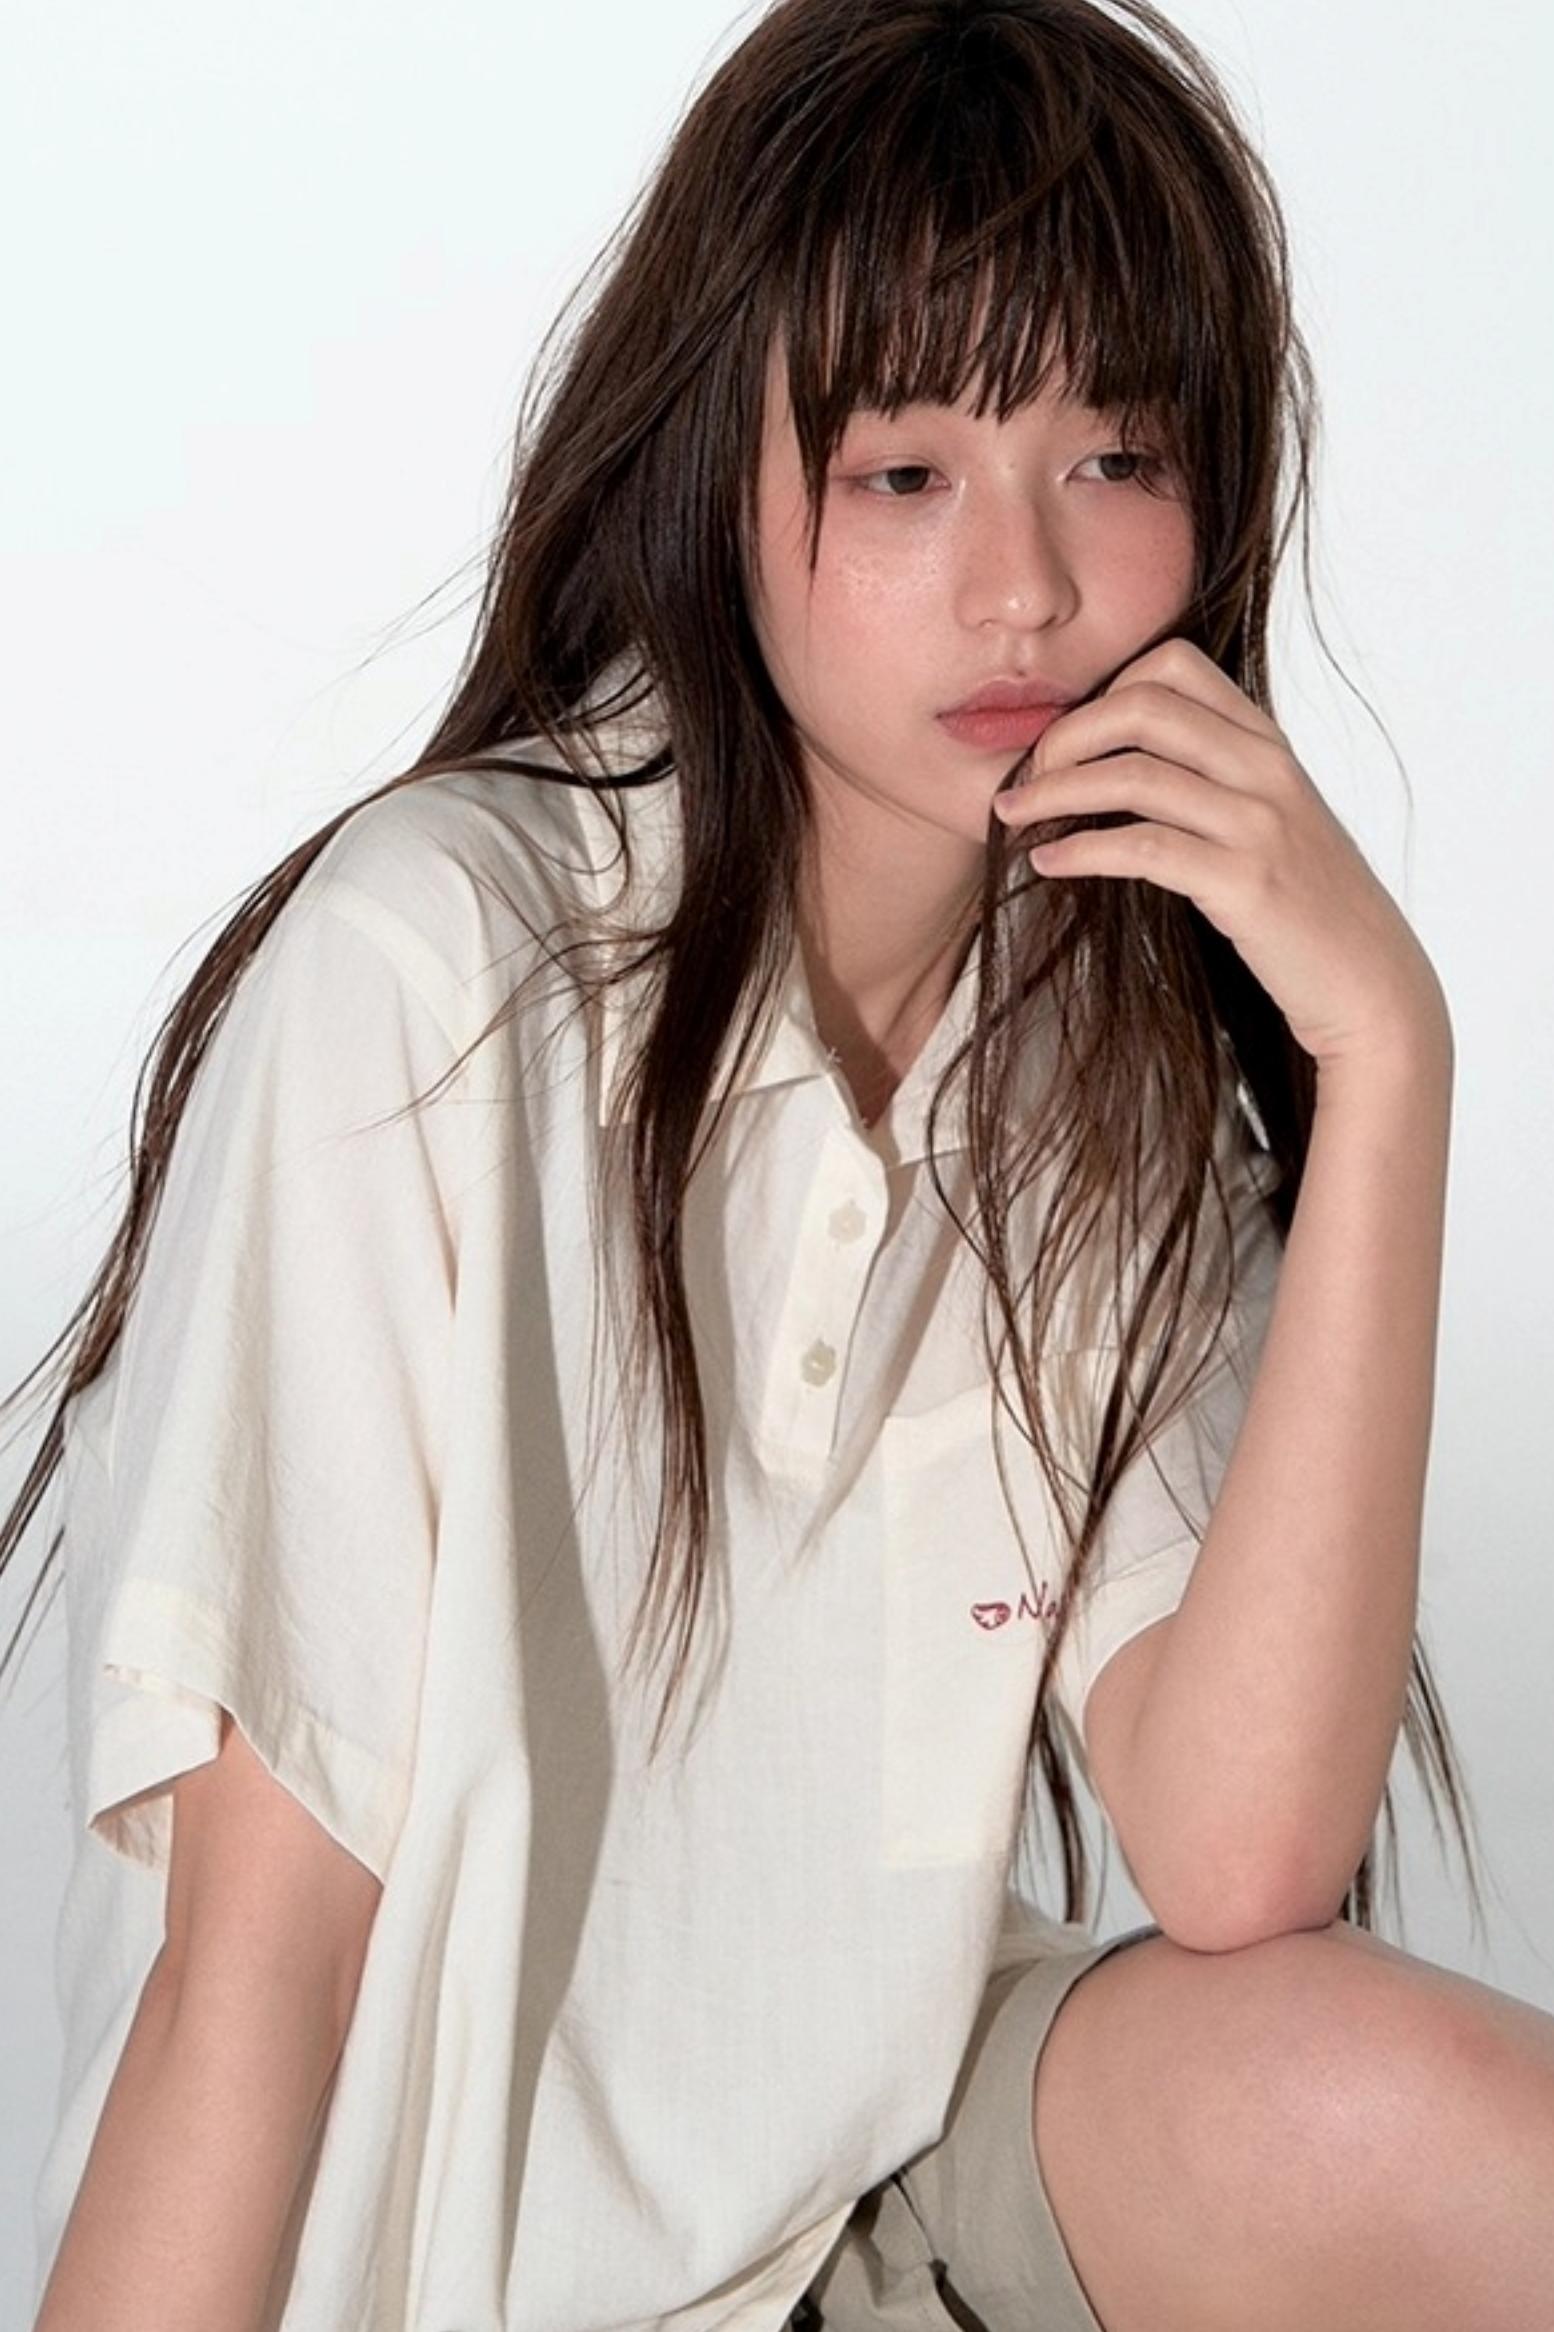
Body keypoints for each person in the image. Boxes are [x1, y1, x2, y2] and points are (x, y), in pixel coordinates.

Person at [6, 0, 1554, 2325]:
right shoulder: (436, 968)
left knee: (1433, 2122)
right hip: (450, 2269)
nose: (1026, 585)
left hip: (878, 2182)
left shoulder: (1094, 1042)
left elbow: (1241, 1853)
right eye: (907, 470)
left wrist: (1391, 1056)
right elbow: (258, 1949)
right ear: (717, 472)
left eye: (1114, 454)